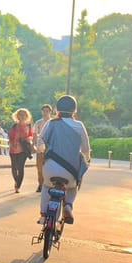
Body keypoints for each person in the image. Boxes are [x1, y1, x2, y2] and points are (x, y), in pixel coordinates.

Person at [35, 95, 90, 223]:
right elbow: (86, 149)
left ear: (56, 110)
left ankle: (43, 216)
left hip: (50, 168)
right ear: (74, 111)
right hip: (70, 171)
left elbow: (40, 142)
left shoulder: (51, 123)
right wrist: (86, 159)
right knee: (73, 186)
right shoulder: (79, 126)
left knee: (46, 186)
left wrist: (42, 150)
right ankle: (68, 206)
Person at [8, 108, 34, 193]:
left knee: (21, 168)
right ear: (17, 116)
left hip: (23, 150)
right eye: (20, 114)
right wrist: (13, 144)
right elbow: (10, 137)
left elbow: (31, 136)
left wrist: (29, 139)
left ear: (27, 116)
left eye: (24, 115)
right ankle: (16, 181)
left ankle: (18, 186)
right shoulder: (14, 126)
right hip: (13, 150)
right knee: (14, 168)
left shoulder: (28, 126)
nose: (22, 116)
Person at [32, 104, 53, 192]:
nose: (45, 113)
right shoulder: (38, 123)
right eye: (43, 111)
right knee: (40, 168)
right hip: (40, 148)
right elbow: (34, 135)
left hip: (51, 149)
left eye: (47, 111)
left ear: (50, 112)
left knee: (50, 168)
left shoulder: (53, 123)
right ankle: (40, 184)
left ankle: (49, 185)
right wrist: (33, 145)